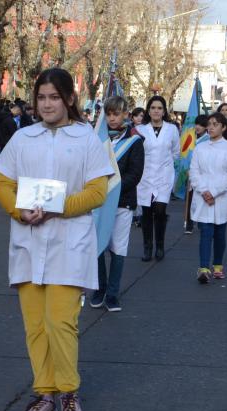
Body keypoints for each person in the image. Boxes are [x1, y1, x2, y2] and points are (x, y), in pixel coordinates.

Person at [0, 68, 113, 411]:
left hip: (69, 242)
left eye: (54, 97)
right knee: (35, 324)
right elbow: (3, 186)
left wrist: (55, 209)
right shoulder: (23, 138)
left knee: (61, 322)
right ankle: (44, 392)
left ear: (69, 100)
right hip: (28, 241)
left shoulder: (86, 139)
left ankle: (69, 392)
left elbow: (97, 192)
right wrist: (19, 211)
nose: (47, 104)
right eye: (42, 97)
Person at [88, 95, 144, 313]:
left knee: (118, 249)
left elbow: (135, 174)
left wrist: (113, 188)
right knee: (98, 246)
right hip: (98, 201)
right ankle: (99, 290)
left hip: (122, 202)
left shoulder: (135, 141)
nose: (112, 118)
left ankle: (112, 294)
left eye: (117, 114)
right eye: (109, 114)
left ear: (125, 115)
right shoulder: (97, 139)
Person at [189, 112, 227, 283]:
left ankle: (218, 265)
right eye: (209, 124)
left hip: (222, 196)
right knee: (205, 231)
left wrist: (213, 192)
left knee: (219, 232)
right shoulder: (199, 148)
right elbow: (194, 172)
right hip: (203, 195)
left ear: (224, 127)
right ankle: (204, 268)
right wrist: (204, 191)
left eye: (215, 124)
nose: (211, 127)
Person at [137, 96, 180, 262]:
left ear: (164, 111)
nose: (156, 110)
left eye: (159, 108)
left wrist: (167, 167)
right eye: (153, 107)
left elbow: (176, 152)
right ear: (148, 110)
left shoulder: (172, 129)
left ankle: (160, 246)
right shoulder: (140, 129)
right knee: (147, 212)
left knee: (160, 211)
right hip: (145, 177)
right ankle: (147, 247)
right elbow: (137, 153)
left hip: (164, 176)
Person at [184, 114, 210, 234]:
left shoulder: (208, 140)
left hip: (203, 174)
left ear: (206, 127)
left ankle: (200, 221)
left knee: (200, 198)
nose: (198, 127)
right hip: (190, 172)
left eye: (201, 125)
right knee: (189, 199)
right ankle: (189, 222)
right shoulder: (191, 138)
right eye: (197, 124)